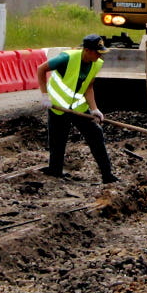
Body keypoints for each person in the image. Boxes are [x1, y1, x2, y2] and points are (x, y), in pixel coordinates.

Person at [36, 34, 118, 185]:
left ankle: (107, 175)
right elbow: (41, 69)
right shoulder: (66, 58)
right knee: (58, 140)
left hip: (78, 108)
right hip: (58, 106)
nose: (100, 55)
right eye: (97, 52)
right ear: (87, 50)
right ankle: (55, 171)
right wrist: (44, 96)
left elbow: (89, 87)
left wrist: (94, 109)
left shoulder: (96, 63)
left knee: (96, 135)